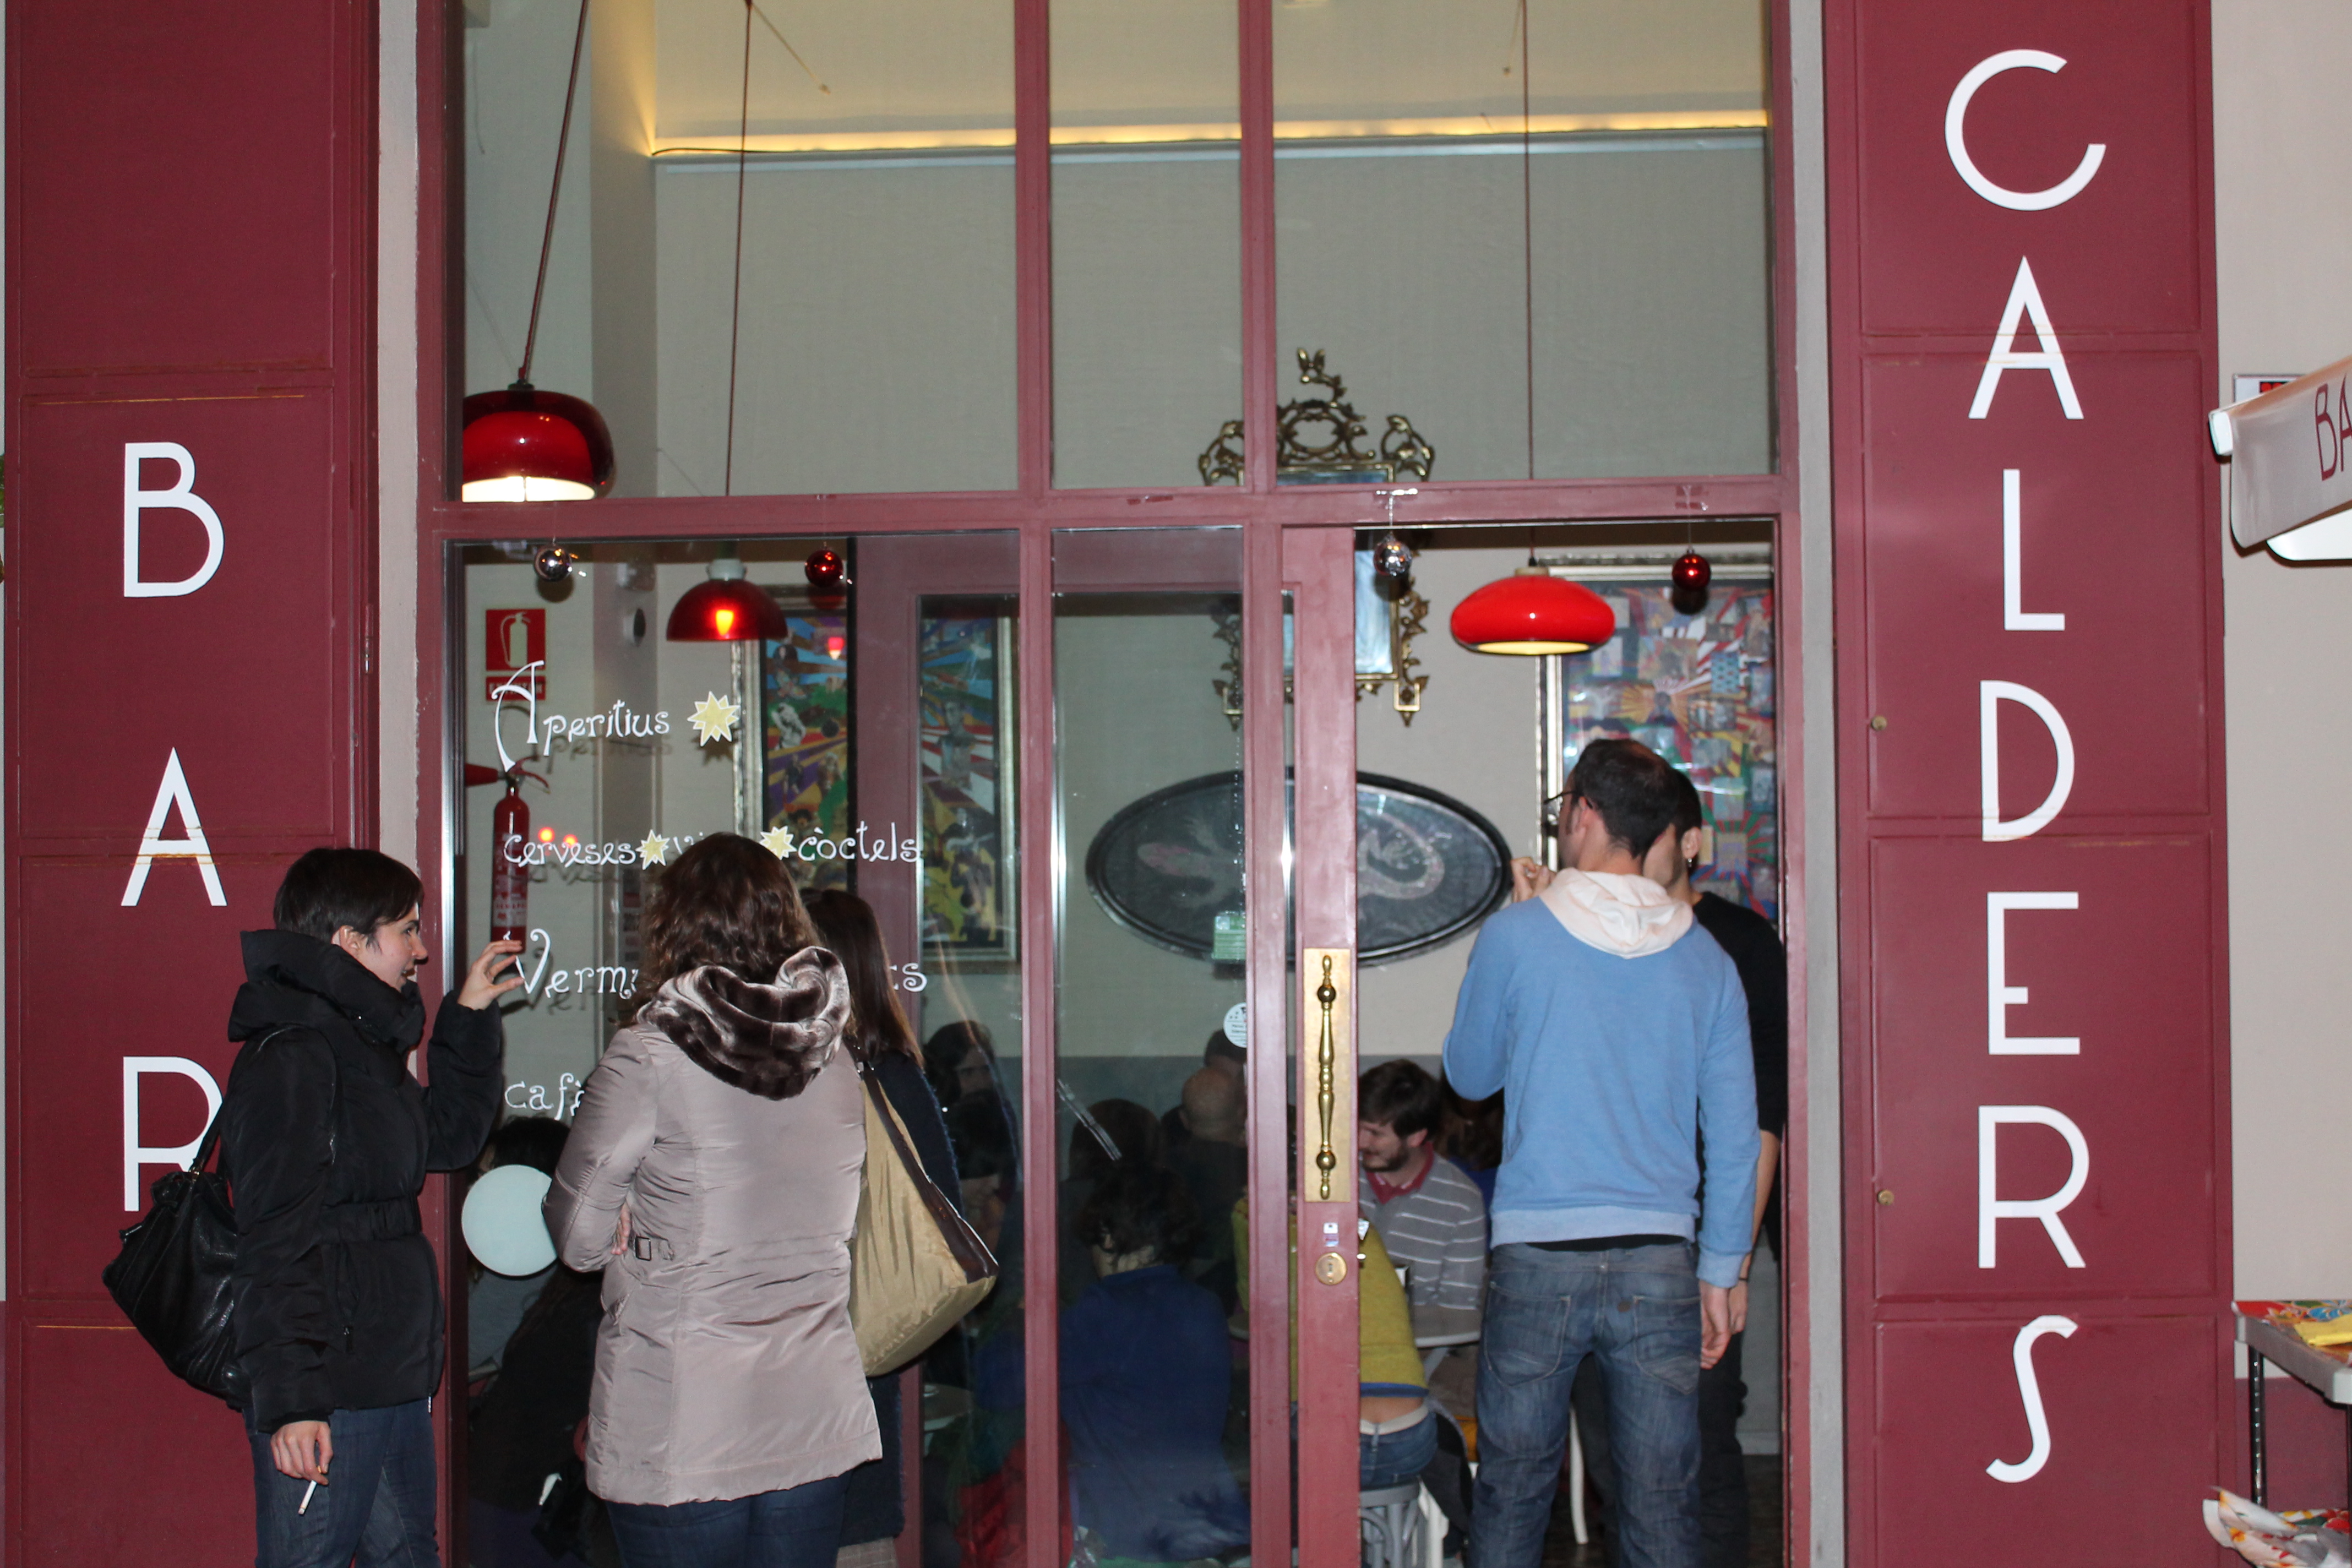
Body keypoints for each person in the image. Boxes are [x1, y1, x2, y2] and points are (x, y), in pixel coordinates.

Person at [1444, 739, 1758, 1568]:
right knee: (1660, 1499)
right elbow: (1735, 1133)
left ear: (1583, 812)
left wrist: (1515, 930)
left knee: (1514, 1491)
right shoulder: (1707, 958)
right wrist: (1722, 1271)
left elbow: (1470, 1076)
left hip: (1538, 1255)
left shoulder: (1518, 936)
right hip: (1660, 1256)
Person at [546, 834, 875, 1568]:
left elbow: (578, 1240)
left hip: (684, 1415)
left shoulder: (651, 1056)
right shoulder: (836, 1058)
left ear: (671, 927)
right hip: (812, 1406)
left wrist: (629, 1214)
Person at [224, 846, 524, 1568]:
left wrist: (468, 1016)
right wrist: (295, 1400)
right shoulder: (295, 1055)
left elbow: (447, 1138)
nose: (420, 952)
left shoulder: (359, 1048)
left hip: (387, 1371)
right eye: (406, 930)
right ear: (350, 942)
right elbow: (274, 1237)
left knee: (409, 1555)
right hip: (330, 1382)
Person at [1641, 769, 1787, 1568]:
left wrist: (1732, 1264)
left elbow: (1764, 1118)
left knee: (1703, 1433)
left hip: (1708, 1227)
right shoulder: (1592, 935)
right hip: (1621, 1221)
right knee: (1625, 1449)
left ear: (1691, 842)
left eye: (1649, 832)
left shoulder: (1741, 942)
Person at [803, 890, 962, 1568]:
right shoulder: (892, 1073)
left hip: (801, 1339)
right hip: (857, 1344)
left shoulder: (784, 1076)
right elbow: (946, 1212)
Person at [1060, 1164, 1249, 1564]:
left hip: (1124, 1534)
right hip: (1205, 1521)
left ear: (1108, 1236)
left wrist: (1021, 1315)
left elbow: (998, 1383)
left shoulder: (1105, 1312)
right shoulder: (1204, 1306)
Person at [1355, 1059, 1488, 1325]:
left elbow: (1457, 1309)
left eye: (1375, 1134)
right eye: (1357, 1127)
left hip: (1419, 1340)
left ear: (1416, 1137)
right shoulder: (1331, 1176)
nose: (1360, 1142)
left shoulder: (1462, 1201)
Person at [468, 1115, 570, 1376]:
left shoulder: (520, 1262)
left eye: (486, 1178)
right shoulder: (563, 1250)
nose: (474, 1191)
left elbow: (463, 1349)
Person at [1167, 1068, 1247, 1311]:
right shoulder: (1262, 1170)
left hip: (1178, 1300)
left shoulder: (1165, 1172)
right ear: (1242, 1113)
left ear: (1184, 1119)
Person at [1161, 1030, 1247, 1148]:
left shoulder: (1269, 1120)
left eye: (1241, 1079)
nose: (1231, 1087)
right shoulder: (1175, 1126)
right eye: (1220, 1077)